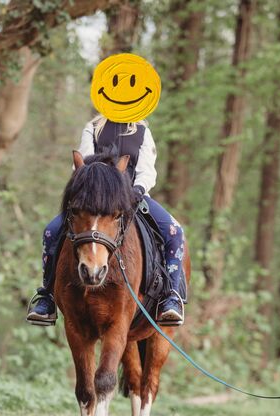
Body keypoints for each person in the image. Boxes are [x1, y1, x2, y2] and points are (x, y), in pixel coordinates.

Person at [26, 115, 185, 326]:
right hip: (94, 199)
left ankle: (171, 296)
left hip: (133, 196)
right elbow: (82, 165)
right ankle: (47, 295)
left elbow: (147, 171)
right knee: (51, 231)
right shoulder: (92, 128)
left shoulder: (142, 131)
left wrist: (135, 190)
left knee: (174, 231)